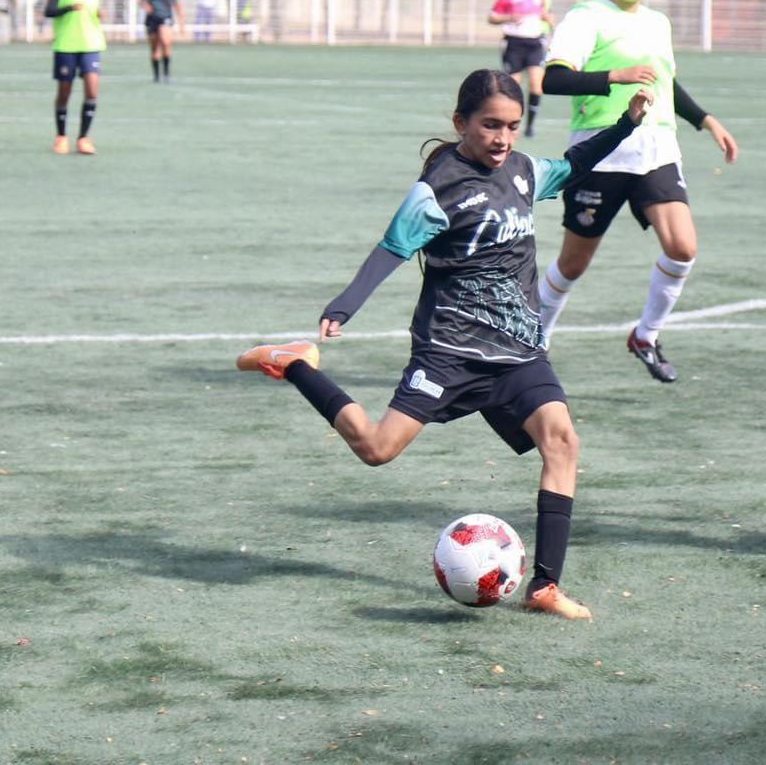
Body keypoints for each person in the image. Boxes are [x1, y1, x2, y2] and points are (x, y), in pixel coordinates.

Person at [236, 70, 656, 620]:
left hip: (517, 350)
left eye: (512, 126)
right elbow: (390, 249)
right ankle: (294, 364)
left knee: (563, 443)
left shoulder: (526, 171)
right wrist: (344, 306)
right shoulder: (438, 188)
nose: (502, 138)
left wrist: (626, 124)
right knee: (376, 449)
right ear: (461, 123)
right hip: (450, 350)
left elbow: (573, 165)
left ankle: (545, 586)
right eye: (489, 126)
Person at [536, 0, 738, 383]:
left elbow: (665, 83)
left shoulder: (657, 22)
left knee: (683, 247)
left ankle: (646, 335)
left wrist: (707, 121)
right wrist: (616, 75)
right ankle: (534, 341)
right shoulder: (585, 18)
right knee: (573, 263)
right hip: (600, 152)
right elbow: (553, 81)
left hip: (655, 150)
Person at [43, 0, 105, 155]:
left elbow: (95, 11)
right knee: (64, 92)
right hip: (66, 45)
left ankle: (84, 138)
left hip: (91, 44)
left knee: (92, 90)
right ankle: (61, 136)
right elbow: (49, 11)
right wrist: (68, 8)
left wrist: (99, 14)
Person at [488, 0, 555, 137]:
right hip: (514, 43)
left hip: (534, 43)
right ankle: (512, 123)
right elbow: (492, 17)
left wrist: (549, 19)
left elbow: (548, 16)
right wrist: (509, 17)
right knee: (512, 87)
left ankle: (530, 126)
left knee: (536, 84)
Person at [141, 0, 185, 82]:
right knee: (154, 49)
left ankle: (166, 73)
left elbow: (177, 3)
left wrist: (182, 22)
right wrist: (147, 7)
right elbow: (142, 0)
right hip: (152, 19)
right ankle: (156, 76)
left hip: (166, 18)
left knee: (166, 43)